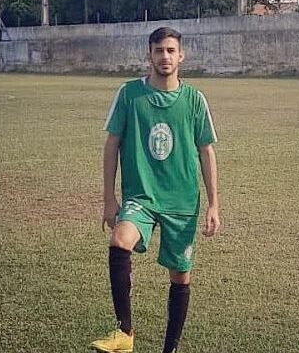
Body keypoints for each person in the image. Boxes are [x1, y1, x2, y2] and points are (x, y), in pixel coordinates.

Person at [91, 27, 221, 353]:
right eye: (159, 50)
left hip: (182, 200)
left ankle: (170, 349)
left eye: (171, 50)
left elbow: (206, 151)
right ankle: (125, 333)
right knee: (120, 240)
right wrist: (109, 199)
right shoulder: (129, 95)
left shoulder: (194, 100)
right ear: (148, 54)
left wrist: (214, 204)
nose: (165, 57)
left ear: (181, 55)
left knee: (180, 276)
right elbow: (112, 145)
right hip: (142, 197)